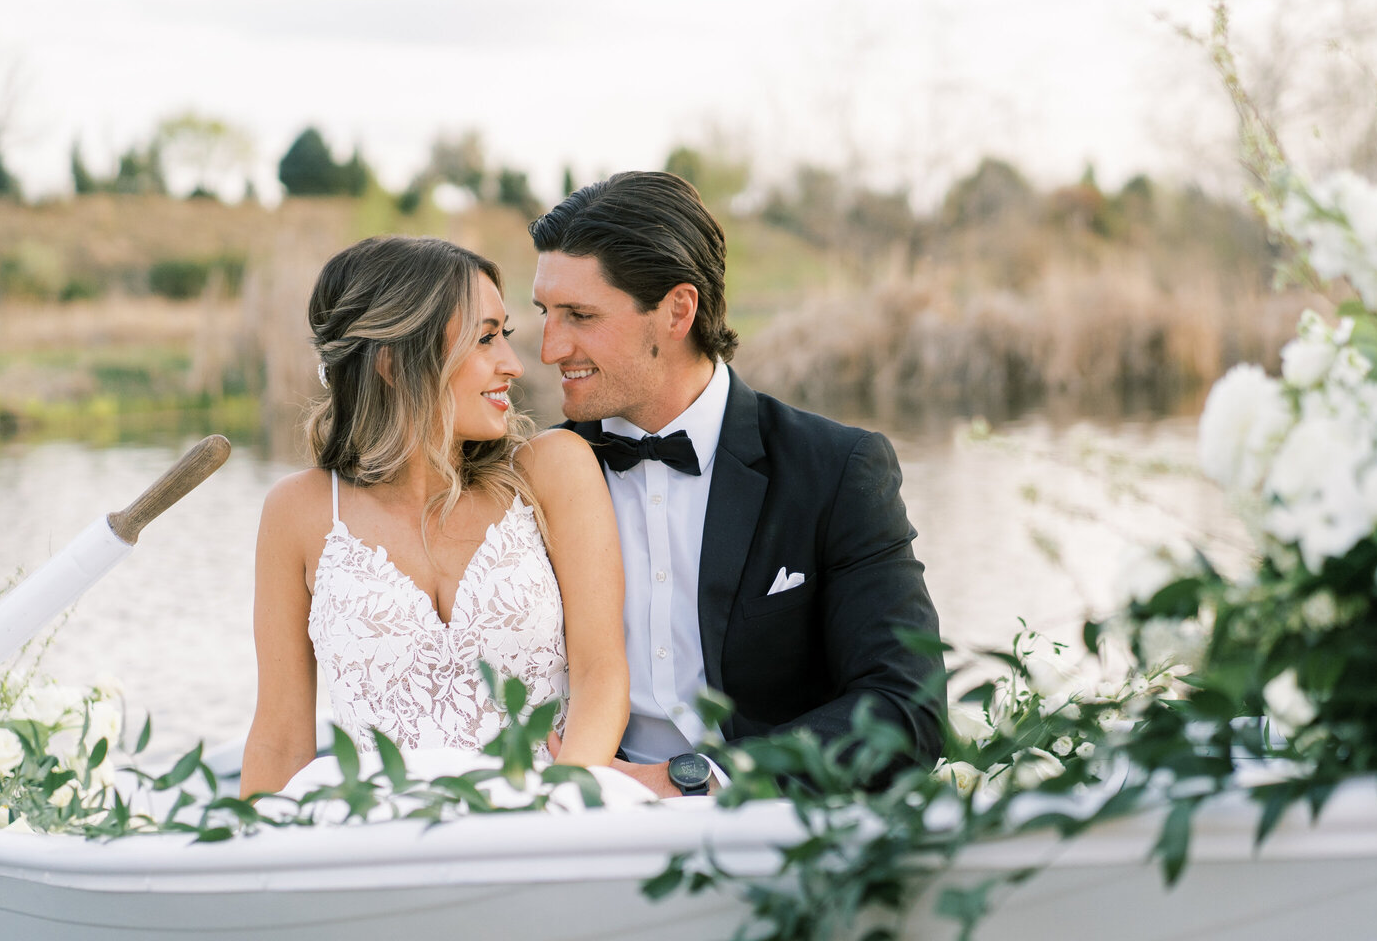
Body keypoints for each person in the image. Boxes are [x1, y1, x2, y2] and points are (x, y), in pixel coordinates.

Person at [530, 172, 945, 799]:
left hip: (763, 829)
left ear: (677, 311)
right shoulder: (532, 478)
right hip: (578, 821)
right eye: (545, 314)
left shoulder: (835, 469)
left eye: (580, 316)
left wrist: (699, 781)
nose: (549, 348)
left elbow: (907, 707)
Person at [240, 236, 631, 797]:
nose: (514, 365)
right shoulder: (297, 513)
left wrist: (559, 805)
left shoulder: (553, 471)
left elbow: (602, 676)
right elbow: (279, 738)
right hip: (384, 834)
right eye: (485, 338)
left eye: (506, 335)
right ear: (396, 364)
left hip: (550, 820)